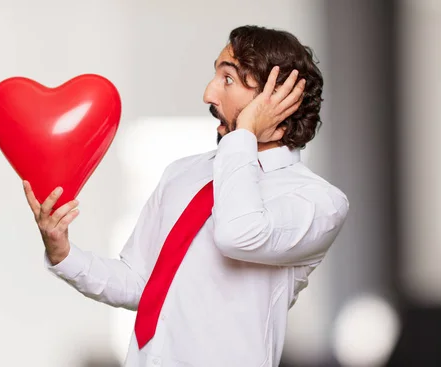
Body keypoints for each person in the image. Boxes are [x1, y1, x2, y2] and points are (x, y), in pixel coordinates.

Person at [22, 25, 349, 367]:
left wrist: (246, 133)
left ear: (276, 98)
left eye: (228, 80)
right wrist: (62, 252)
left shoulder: (319, 202)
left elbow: (238, 234)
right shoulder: (182, 174)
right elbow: (140, 283)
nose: (209, 94)